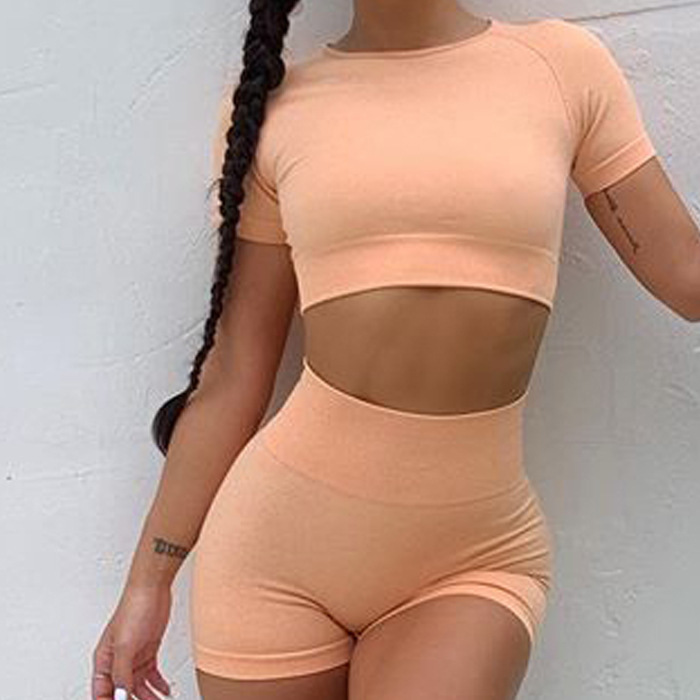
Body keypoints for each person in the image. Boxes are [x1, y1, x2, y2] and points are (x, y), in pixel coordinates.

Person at [91, 2, 700, 699]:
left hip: (473, 554)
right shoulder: (276, 110)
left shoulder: (561, 68)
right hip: (277, 560)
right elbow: (235, 372)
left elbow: (686, 279)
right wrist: (149, 582)